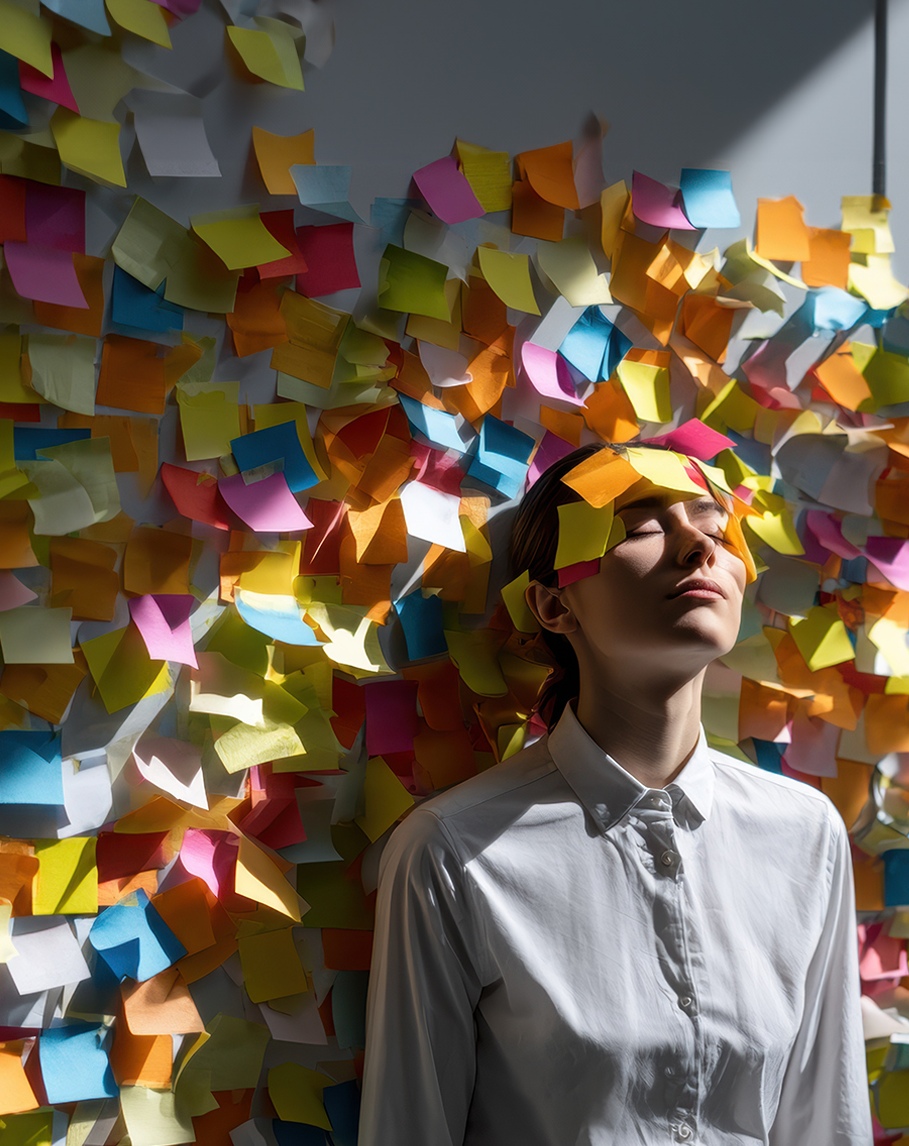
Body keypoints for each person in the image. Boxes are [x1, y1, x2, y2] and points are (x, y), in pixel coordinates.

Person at [360, 441, 872, 1146]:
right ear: (554, 604)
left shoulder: (805, 832)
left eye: (715, 529)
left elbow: (826, 1122)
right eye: (639, 526)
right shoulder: (454, 850)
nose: (698, 547)